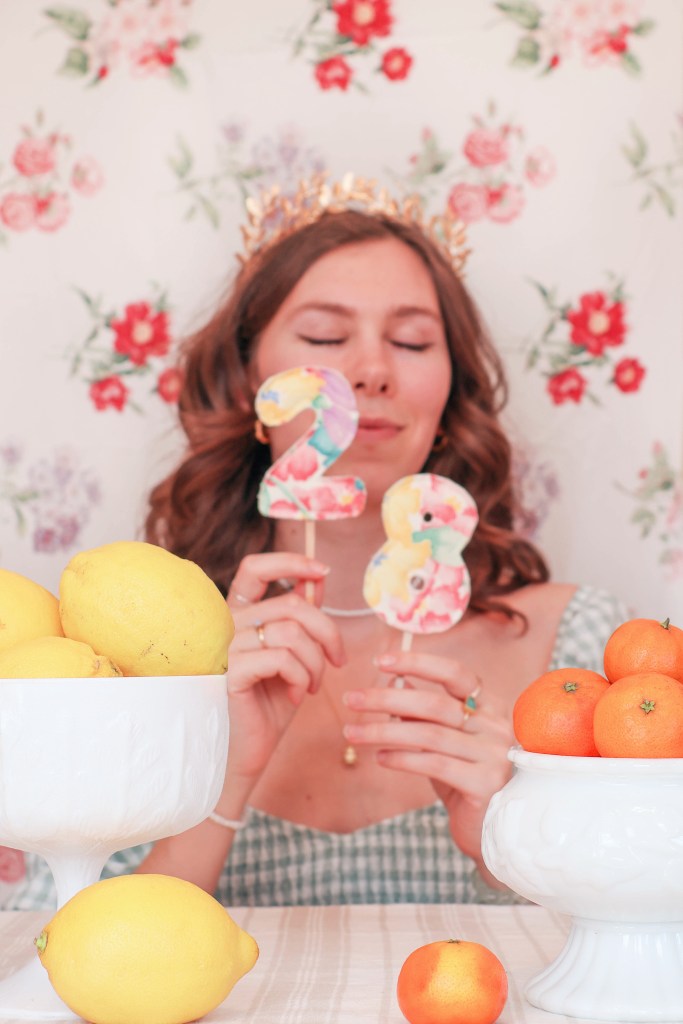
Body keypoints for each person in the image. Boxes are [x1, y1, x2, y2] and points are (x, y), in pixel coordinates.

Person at [5, 175, 627, 910]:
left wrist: (511, 842)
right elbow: (69, 964)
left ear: (449, 388)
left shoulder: (589, 652)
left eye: (411, 340)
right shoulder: (120, 664)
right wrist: (224, 778)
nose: (369, 370)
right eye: (326, 338)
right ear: (248, 385)